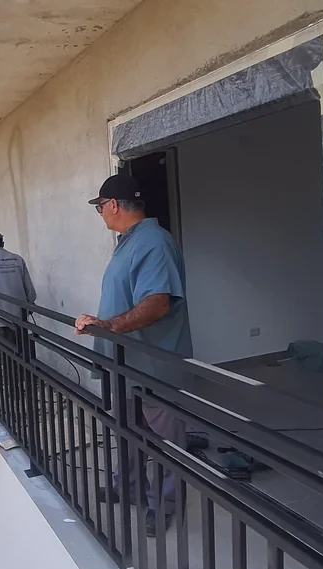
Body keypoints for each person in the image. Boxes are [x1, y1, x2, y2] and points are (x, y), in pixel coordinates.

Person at [75, 174, 192, 537]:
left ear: (112, 205)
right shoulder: (129, 241)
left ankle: (166, 503)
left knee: (165, 440)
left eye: (100, 207)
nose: (100, 213)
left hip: (152, 364)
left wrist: (108, 327)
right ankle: (126, 487)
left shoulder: (154, 242)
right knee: (125, 431)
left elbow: (157, 304)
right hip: (124, 363)